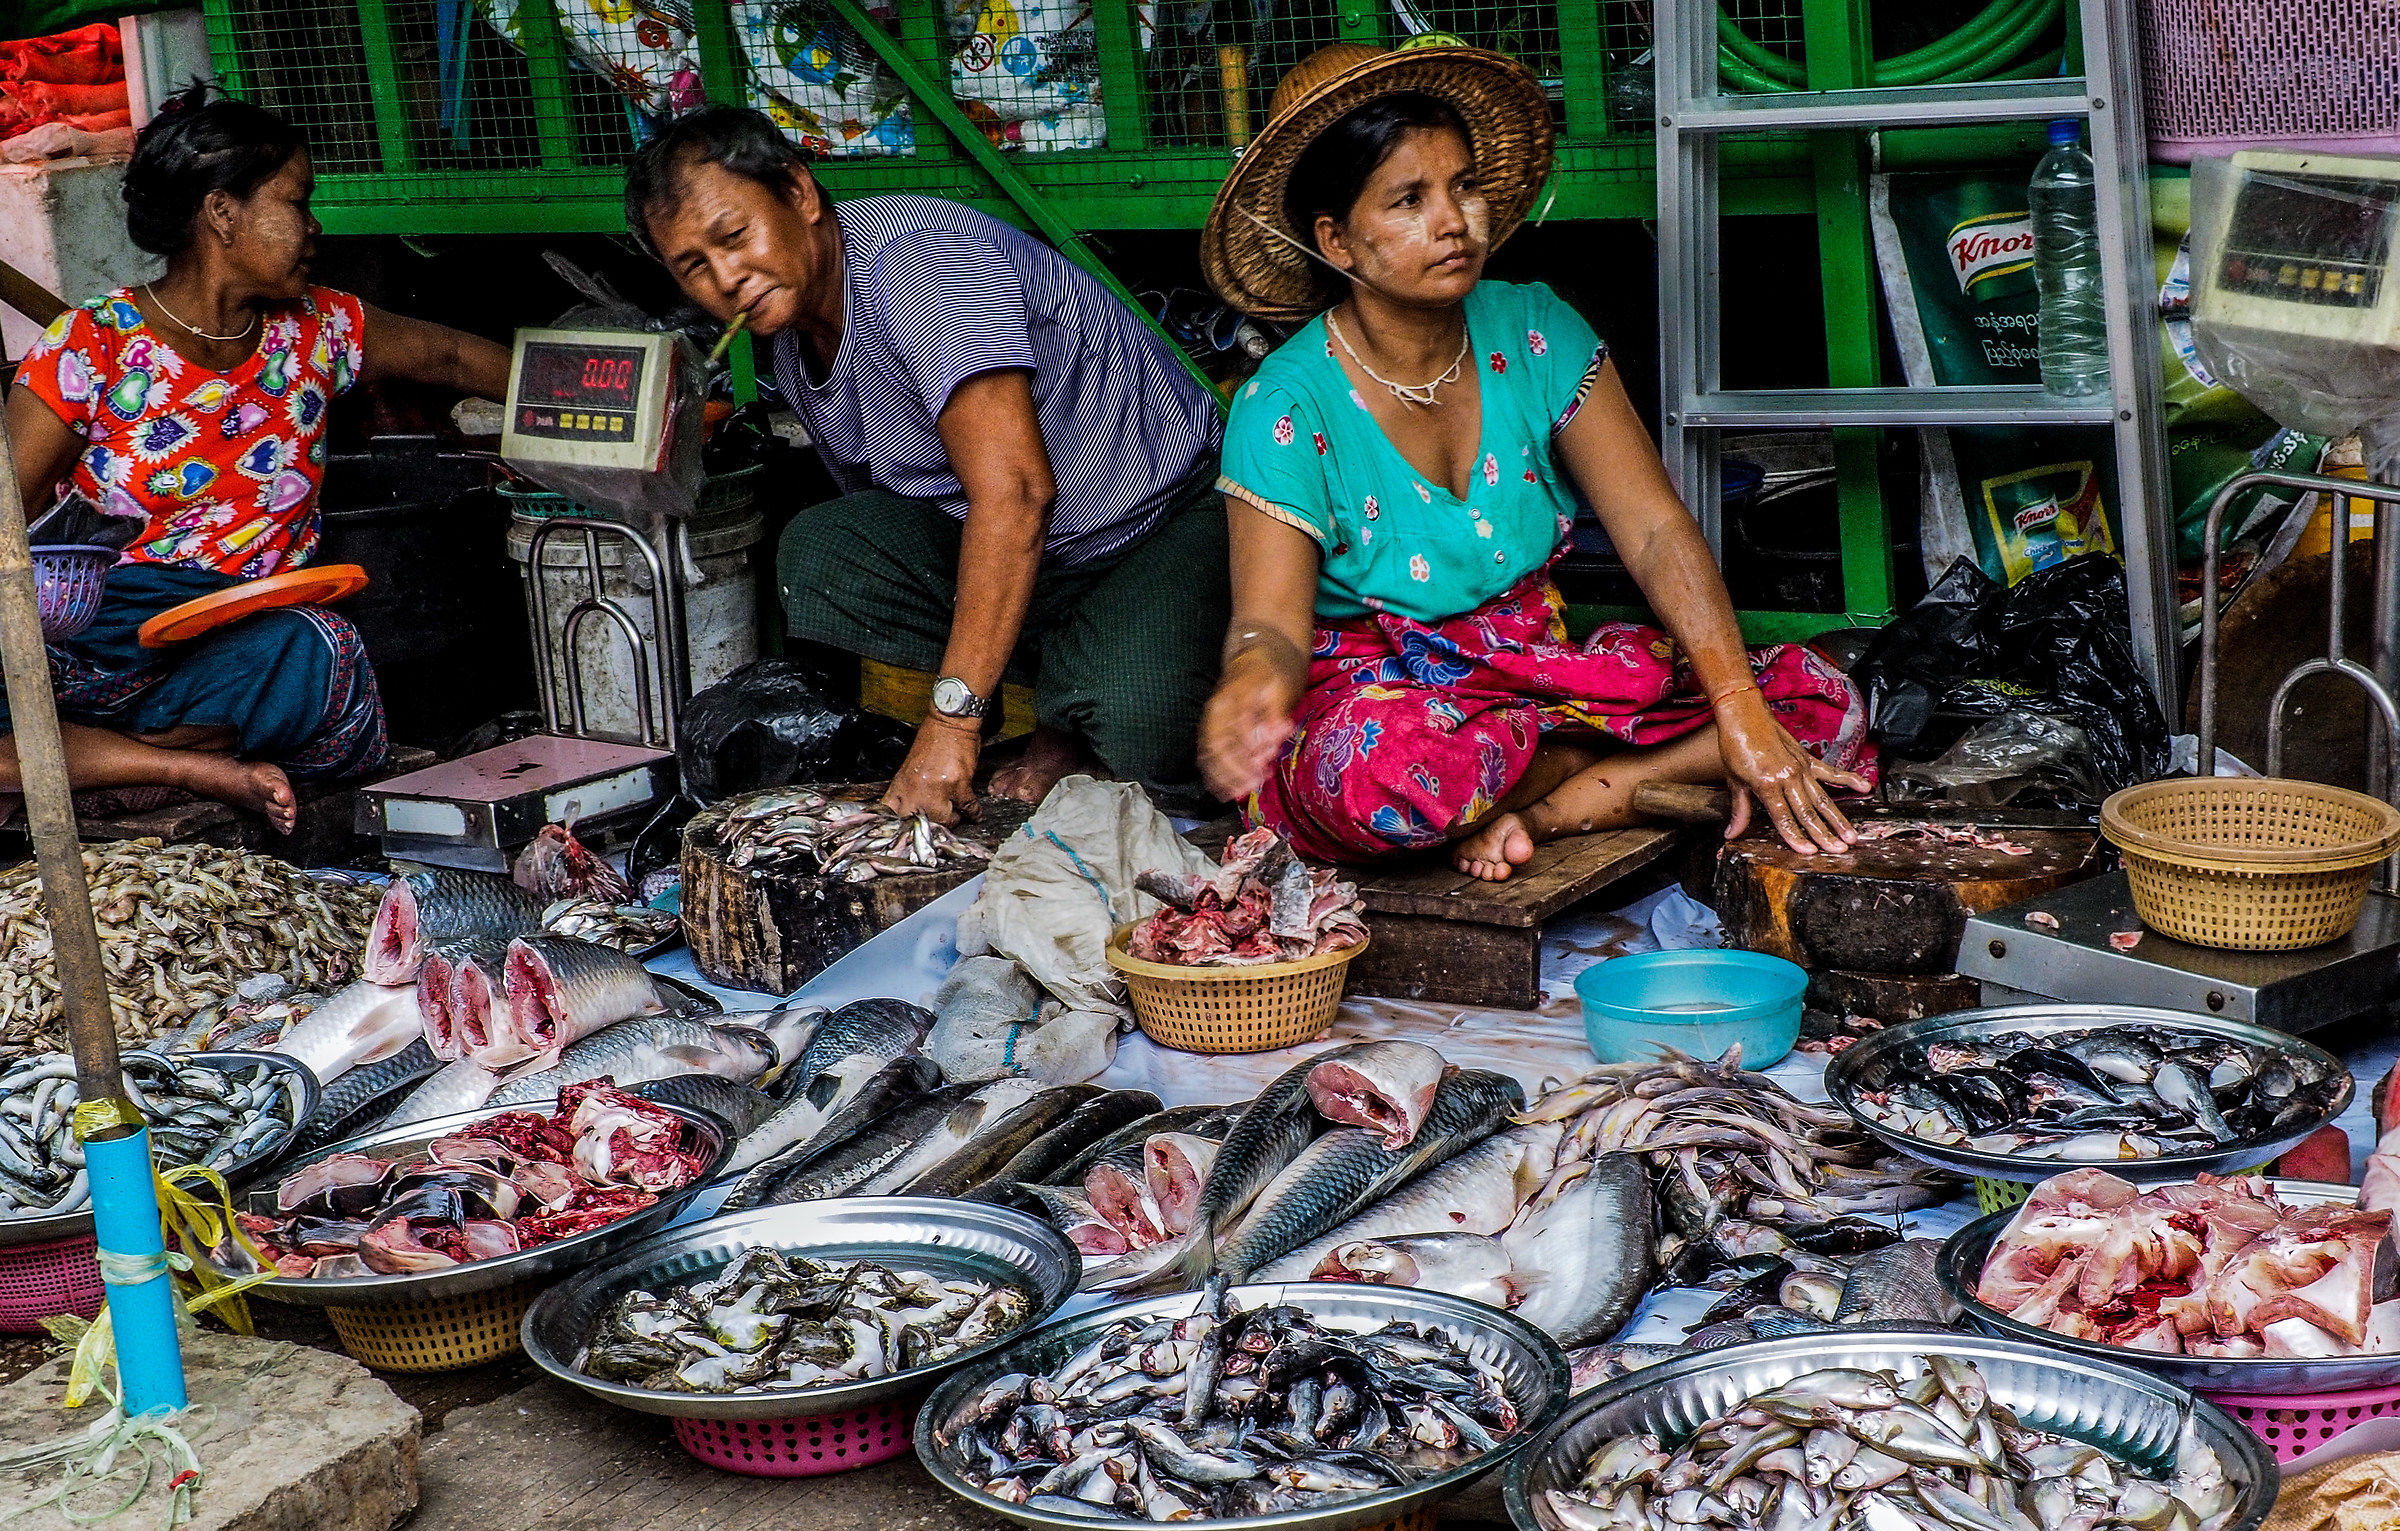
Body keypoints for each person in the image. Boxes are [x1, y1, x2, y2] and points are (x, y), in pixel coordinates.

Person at [1194, 42, 1876, 878]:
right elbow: (1269, 625)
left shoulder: (1536, 328)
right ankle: (1603, 785)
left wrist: (1736, 706)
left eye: (1464, 186)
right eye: (1409, 200)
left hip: (1540, 679)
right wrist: (1254, 681)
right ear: (1336, 241)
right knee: (1383, 777)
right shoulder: (1283, 404)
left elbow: (1657, 531)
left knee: (1814, 699)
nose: (1454, 222)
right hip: (1384, 705)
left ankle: (1543, 811)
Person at [624, 107, 1228, 821]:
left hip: (1158, 525)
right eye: (694, 265)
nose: (726, 277)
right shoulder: (794, 338)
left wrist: (952, 722)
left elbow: (1017, 495)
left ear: (799, 193)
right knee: (825, 551)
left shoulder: (918, 264)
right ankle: (1068, 696)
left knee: (1143, 727)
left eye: (735, 235)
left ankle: (1077, 713)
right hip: (1041, 560)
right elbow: (900, 503)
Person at [4, 85, 511, 835]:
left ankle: (104, 763)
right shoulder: (93, 345)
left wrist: (616, 387)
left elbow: (449, 353)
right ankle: (173, 767)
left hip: (230, 653)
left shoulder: (319, 329)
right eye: (296, 202)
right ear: (222, 212)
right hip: (99, 650)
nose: (314, 227)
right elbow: (5, 511)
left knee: (318, 649)